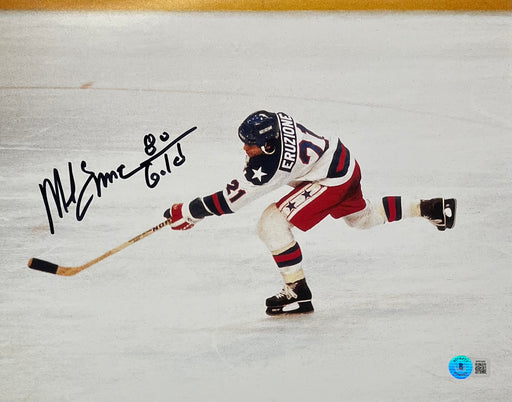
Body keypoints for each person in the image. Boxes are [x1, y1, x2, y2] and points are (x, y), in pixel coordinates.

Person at [164, 111, 456, 316]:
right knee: (361, 218)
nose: (245, 147)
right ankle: (430, 207)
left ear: (268, 144)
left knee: (271, 224)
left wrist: (189, 212)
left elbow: (231, 202)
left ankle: (296, 289)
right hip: (342, 160)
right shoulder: (277, 122)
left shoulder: (270, 165)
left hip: (331, 179)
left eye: (251, 144)